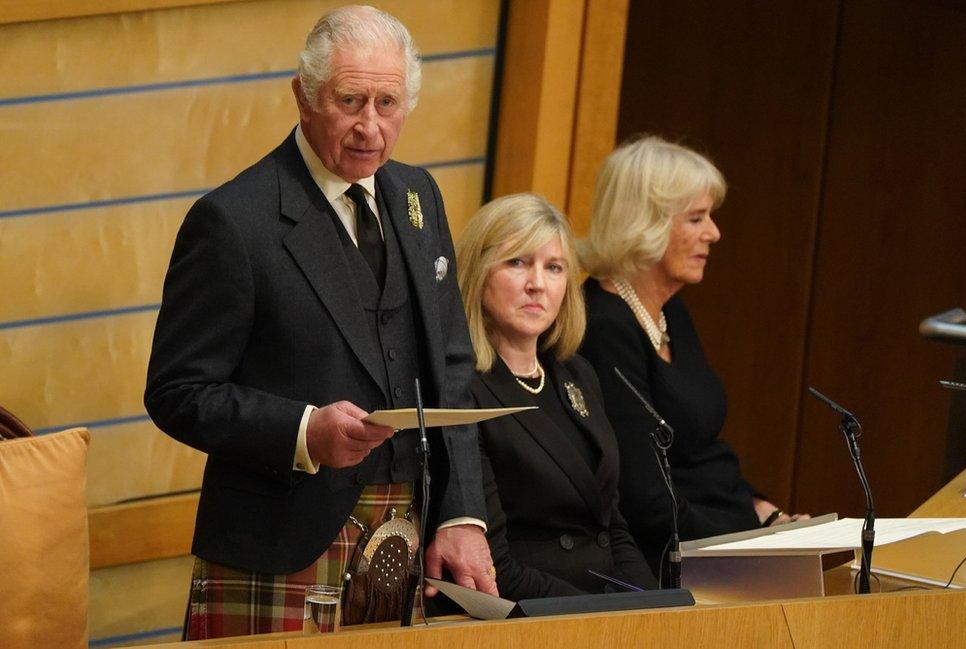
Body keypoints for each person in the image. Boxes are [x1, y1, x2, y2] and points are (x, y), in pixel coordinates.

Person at [144, 6, 494, 639]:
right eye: (350, 100)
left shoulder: (419, 197)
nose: (370, 127)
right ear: (302, 97)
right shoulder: (233, 220)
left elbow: (450, 368)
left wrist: (462, 514)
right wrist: (303, 432)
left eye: (388, 103)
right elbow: (177, 393)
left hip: (413, 546)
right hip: (280, 547)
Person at [578, 135, 806, 570]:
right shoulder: (604, 326)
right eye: (697, 218)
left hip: (724, 533)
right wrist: (751, 543)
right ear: (645, 222)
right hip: (669, 560)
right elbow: (645, 499)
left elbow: (699, 450)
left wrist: (764, 511)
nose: (714, 233)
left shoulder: (670, 311)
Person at [456, 193, 657, 599]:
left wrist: (650, 604)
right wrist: (600, 620)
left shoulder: (576, 374)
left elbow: (610, 522)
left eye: (554, 268)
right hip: (531, 613)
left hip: (604, 606)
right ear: (478, 275)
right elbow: (495, 567)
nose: (537, 284)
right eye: (517, 263)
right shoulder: (461, 387)